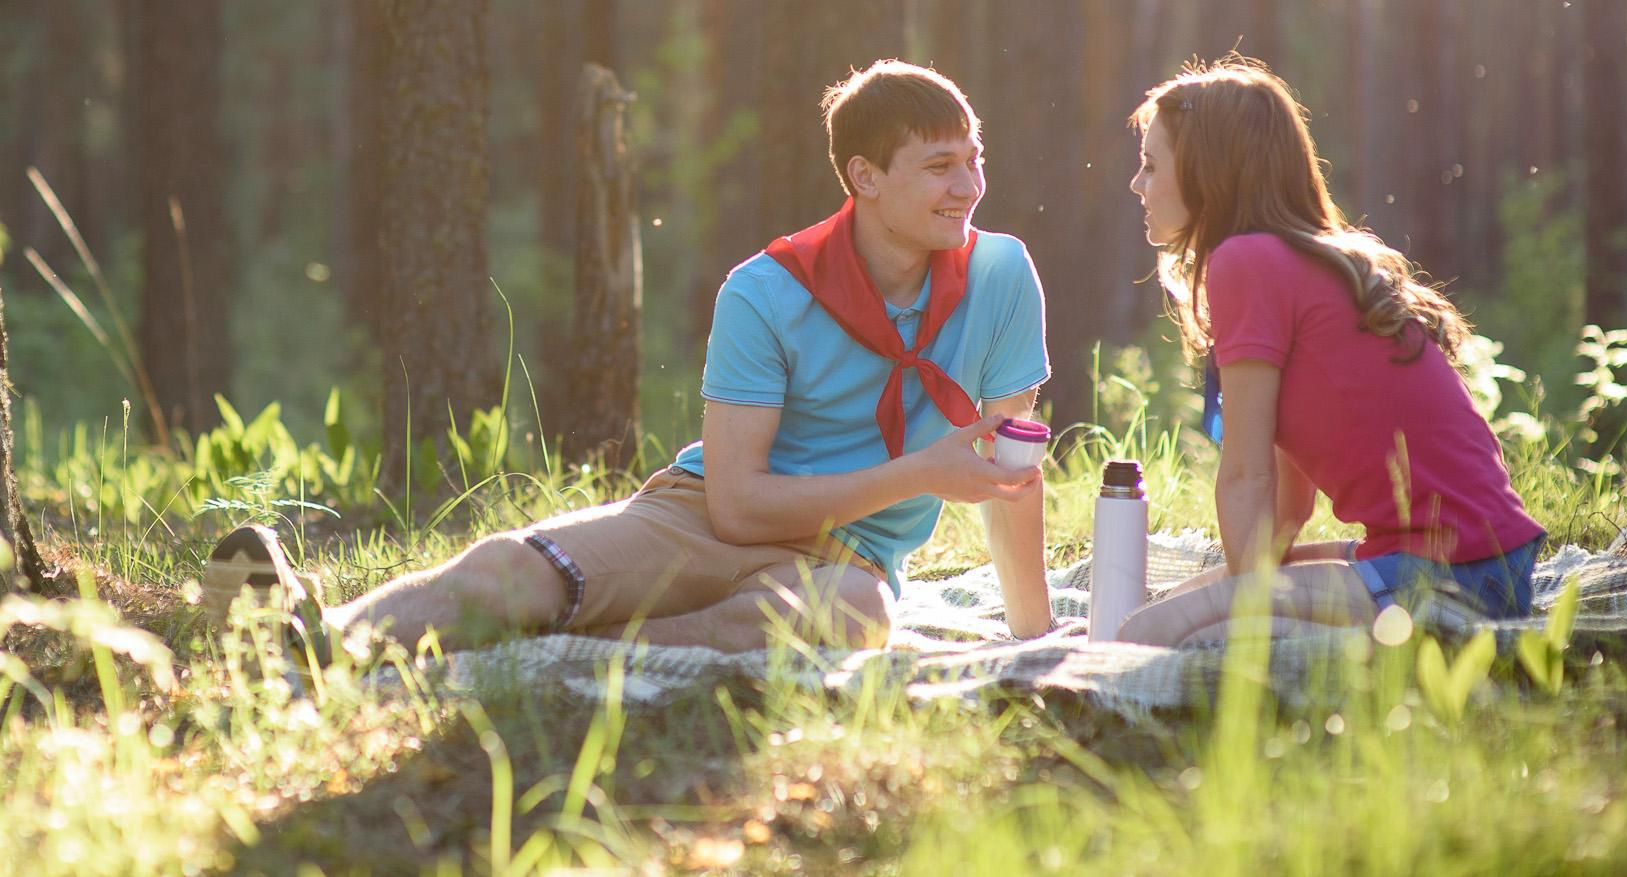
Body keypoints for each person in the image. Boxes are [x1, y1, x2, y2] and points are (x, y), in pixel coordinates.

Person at [207, 59, 1055, 656]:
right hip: (703, 514)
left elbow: (1014, 471)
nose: (970, 185)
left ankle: (571, 645)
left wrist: (1033, 634)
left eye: (974, 158)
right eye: (941, 166)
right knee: (518, 568)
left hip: (848, 561)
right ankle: (304, 637)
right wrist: (921, 472)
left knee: (852, 615)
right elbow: (739, 507)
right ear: (864, 177)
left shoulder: (1000, 272)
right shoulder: (768, 290)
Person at [1117, 57, 1544, 645]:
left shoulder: (1245, 263)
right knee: (1175, 603)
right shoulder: (1295, 259)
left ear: (1205, 171)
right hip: (1485, 562)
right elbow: (1290, 495)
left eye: (1150, 164)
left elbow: (1245, 475)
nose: (1138, 184)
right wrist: (1234, 590)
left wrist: (1245, 615)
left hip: (1453, 573)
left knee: (1147, 634)